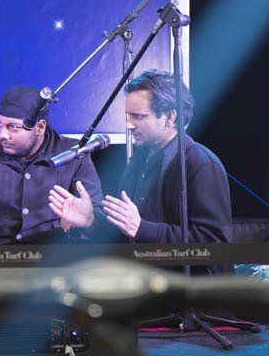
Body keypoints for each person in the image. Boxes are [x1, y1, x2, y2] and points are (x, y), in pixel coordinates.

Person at [52, 70, 232, 266]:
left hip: (189, 291)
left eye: (138, 116)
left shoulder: (200, 163)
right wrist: (91, 222)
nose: (129, 125)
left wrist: (142, 228)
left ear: (170, 117)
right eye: (128, 116)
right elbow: (125, 235)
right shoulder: (139, 161)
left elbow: (215, 244)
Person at [0, 85, 104, 244]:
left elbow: (102, 226)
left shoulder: (74, 154)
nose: (2, 135)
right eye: (0, 124)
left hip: (52, 256)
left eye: (13, 127)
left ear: (40, 127)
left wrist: (89, 222)